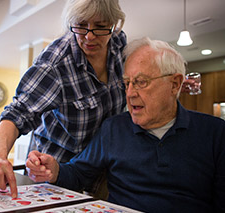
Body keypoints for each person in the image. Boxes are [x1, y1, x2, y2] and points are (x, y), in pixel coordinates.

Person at [26, 37, 225, 212]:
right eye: (127, 83)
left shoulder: (216, 133)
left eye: (141, 82)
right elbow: (79, 174)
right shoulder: (113, 128)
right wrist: (54, 170)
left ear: (174, 84)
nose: (130, 93)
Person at [0, 0, 127, 198]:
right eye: (81, 25)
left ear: (113, 24)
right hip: (54, 175)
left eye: (100, 27)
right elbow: (16, 114)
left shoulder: (118, 44)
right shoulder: (55, 63)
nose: (89, 36)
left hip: (101, 170)